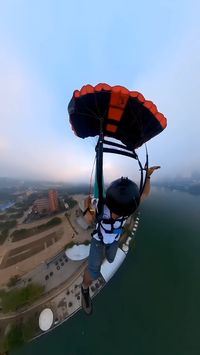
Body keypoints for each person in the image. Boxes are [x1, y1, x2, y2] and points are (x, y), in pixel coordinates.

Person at [81, 166, 160, 314]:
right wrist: (88, 213)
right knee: (93, 273)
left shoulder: (127, 207)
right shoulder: (101, 205)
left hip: (113, 240)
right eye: (116, 212)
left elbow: (144, 194)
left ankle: (101, 259)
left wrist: (148, 176)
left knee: (111, 259)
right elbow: (88, 202)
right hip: (98, 240)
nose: (118, 215)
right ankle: (84, 288)